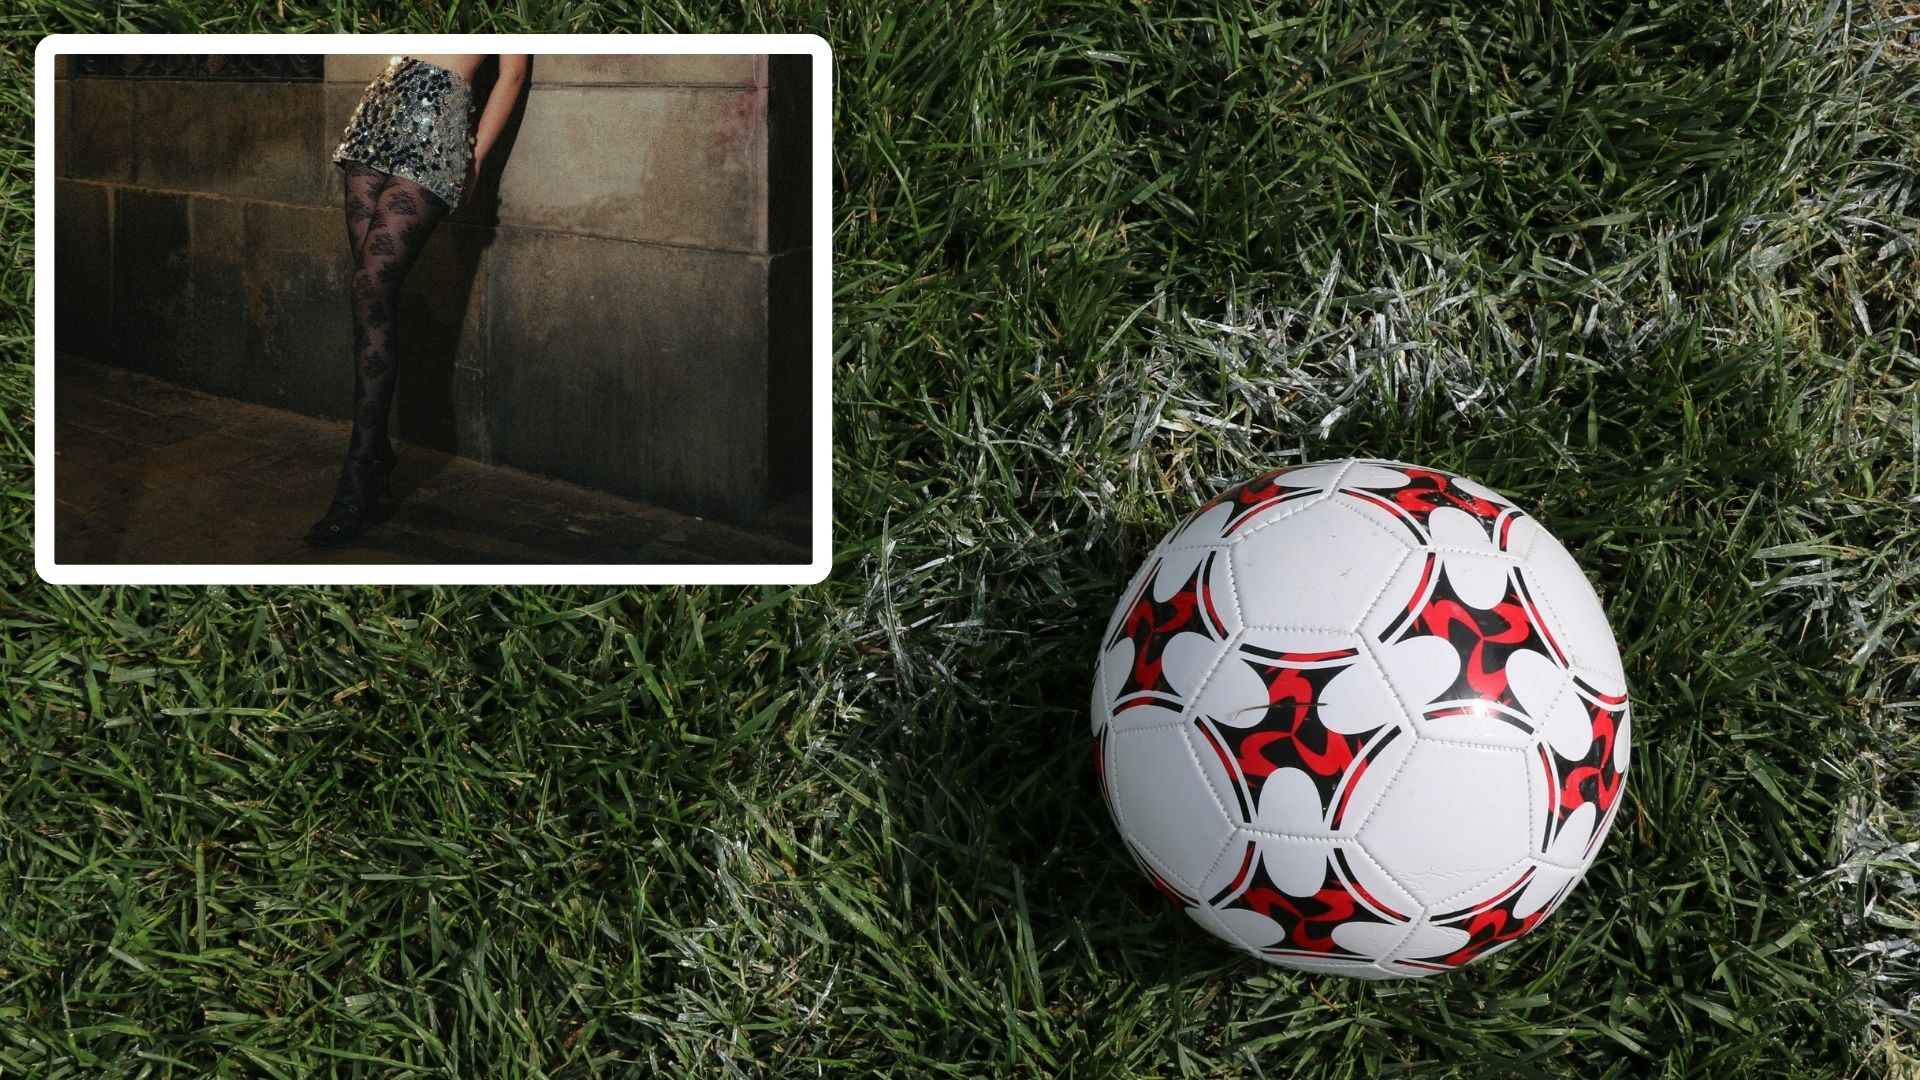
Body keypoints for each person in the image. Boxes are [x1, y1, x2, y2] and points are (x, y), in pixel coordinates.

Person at [307, 53, 529, 547]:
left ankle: (360, 469)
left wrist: (474, 159)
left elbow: (512, 74)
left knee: (371, 286)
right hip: (377, 114)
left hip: (437, 127)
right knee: (369, 292)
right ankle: (376, 456)